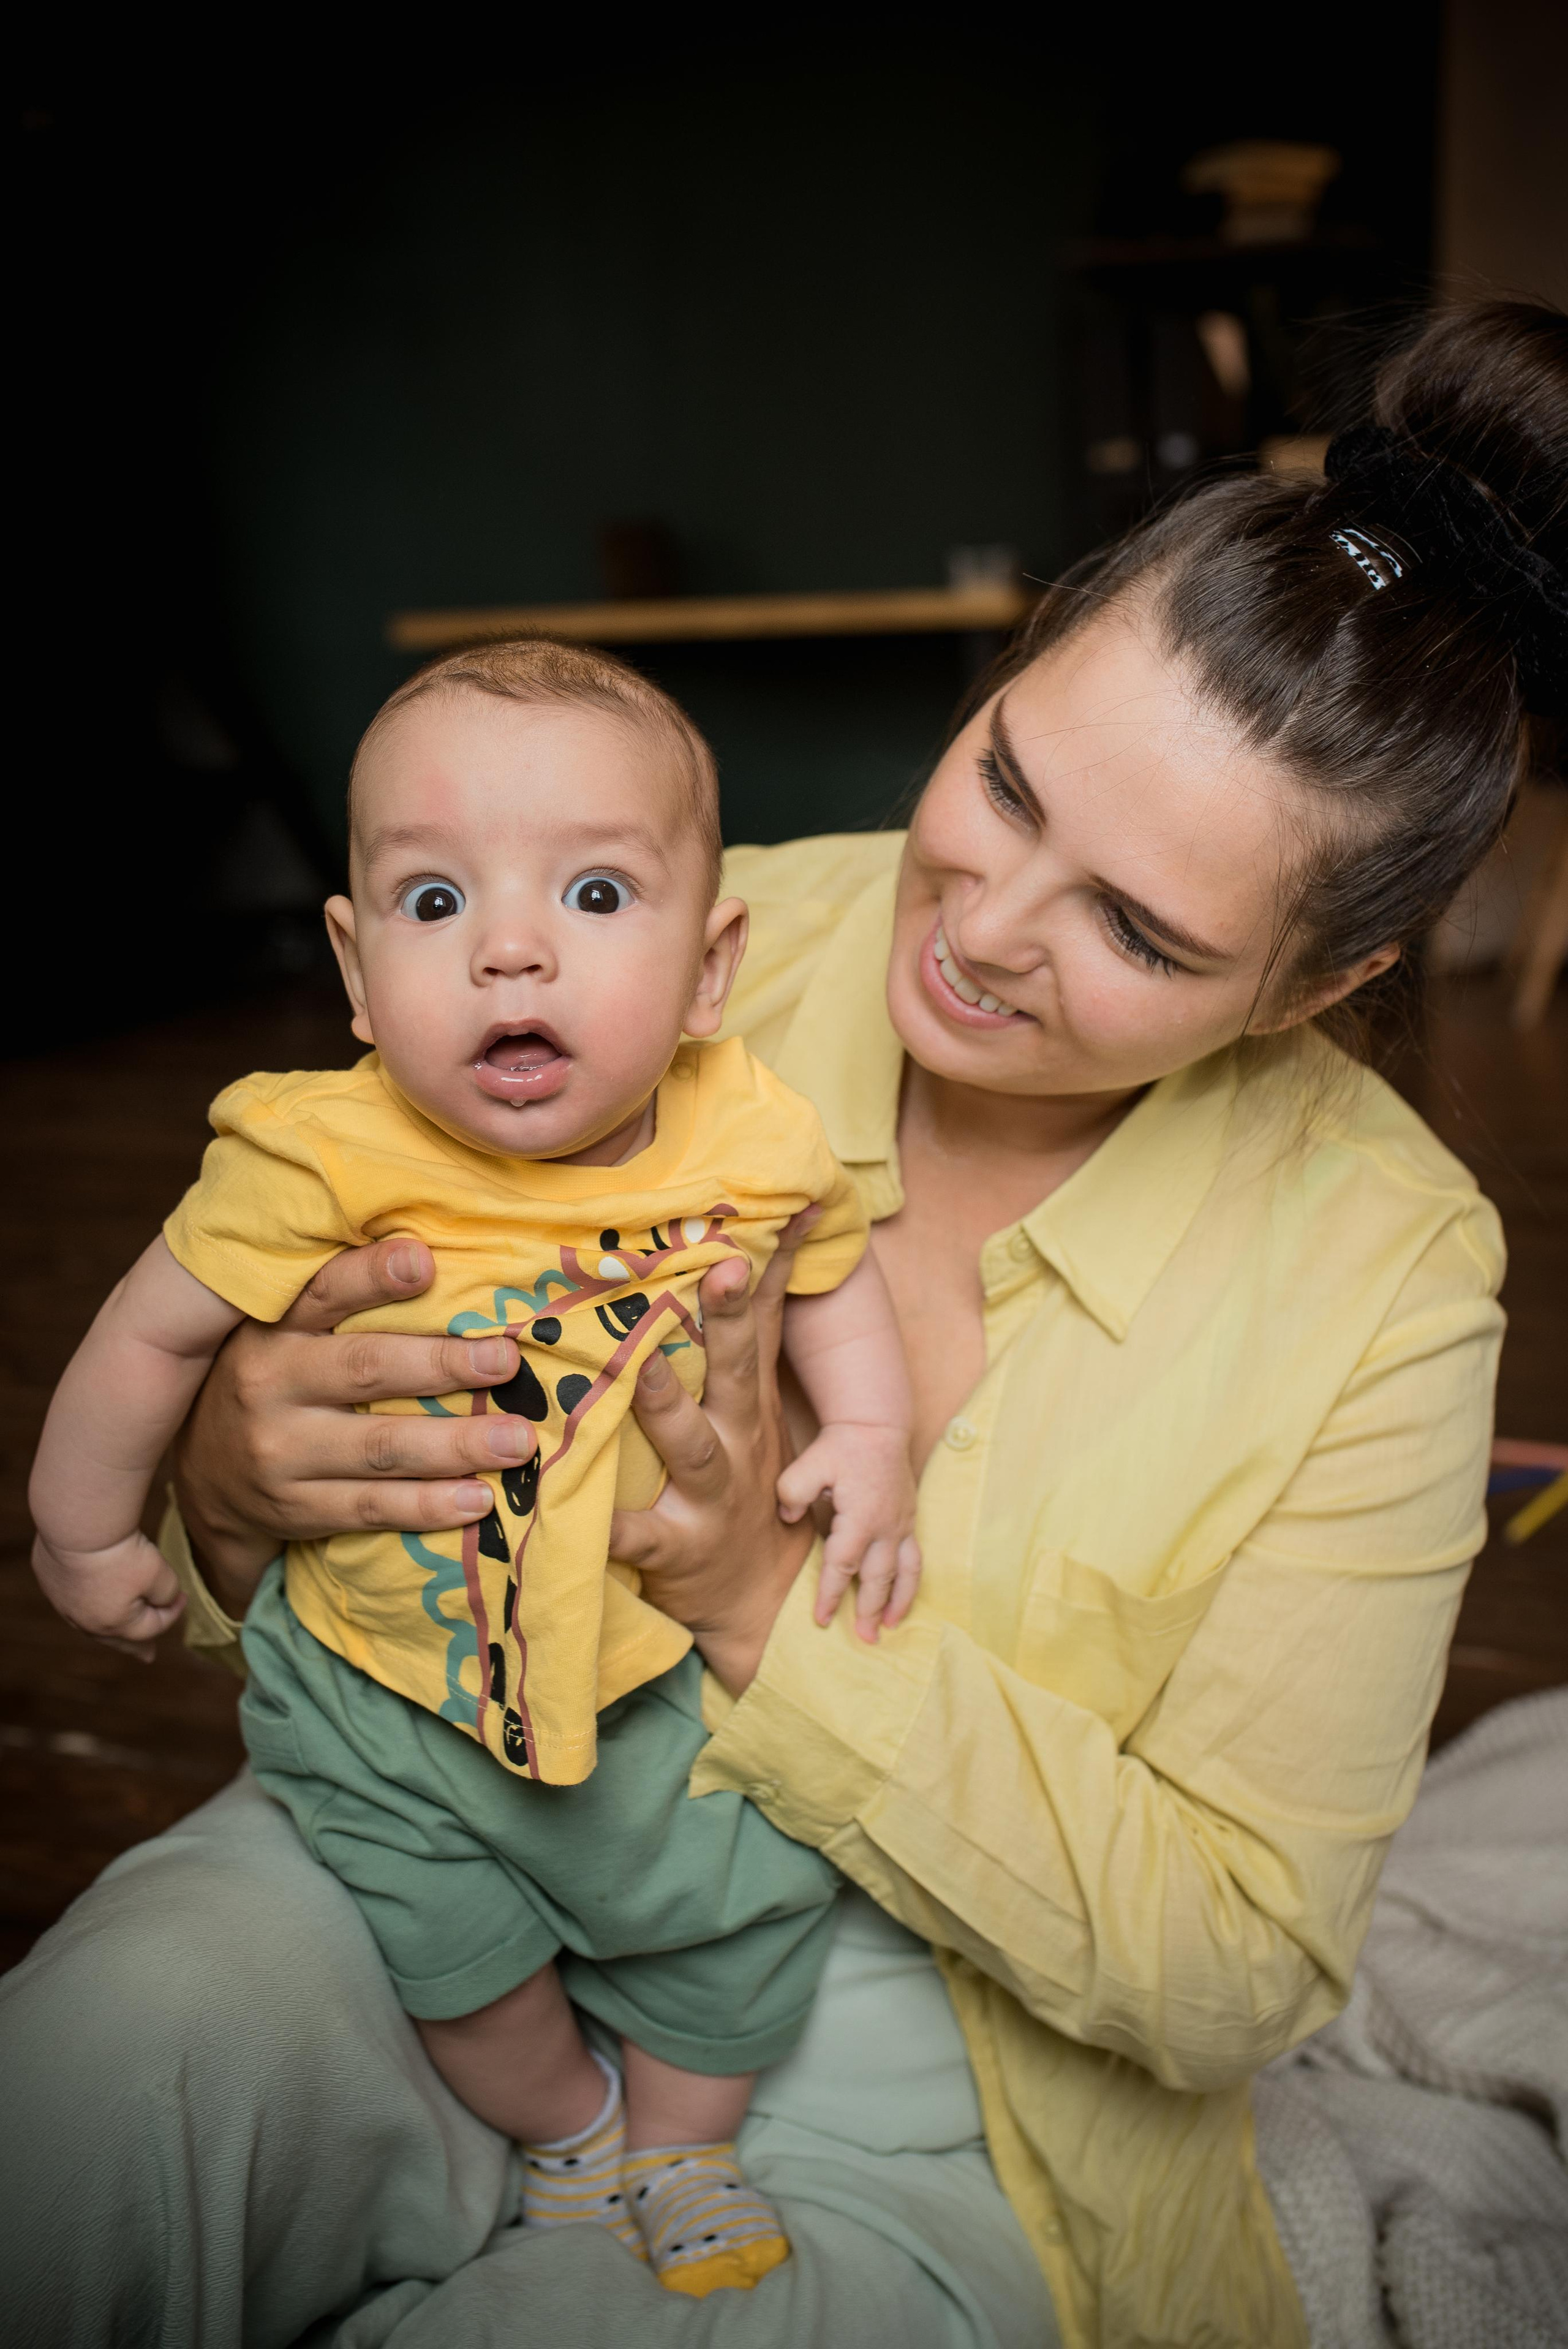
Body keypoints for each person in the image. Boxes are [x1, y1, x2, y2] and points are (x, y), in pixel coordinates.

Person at [3, 298, 1563, 2349]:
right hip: (468, 1827)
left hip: (950, 2064)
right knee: (93, 2081)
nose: (984, 926)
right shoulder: (688, 928)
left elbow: (1241, 1967)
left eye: (1133, 926)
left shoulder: (1391, 1273)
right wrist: (227, 1480)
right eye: (1005, 781)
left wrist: (758, 1604)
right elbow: (277, 1470)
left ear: (1315, 987)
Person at [27, 638, 922, 2299]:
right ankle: (571, 2128)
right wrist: (82, 1528)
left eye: (595, 893)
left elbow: (830, 1275)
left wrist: (868, 1438)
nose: (511, 948)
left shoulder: (751, 1132)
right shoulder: (317, 1151)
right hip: (387, 1689)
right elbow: (148, 1335)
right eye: (436, 903)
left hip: (657, 1676)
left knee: (745, 1918)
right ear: (358, 973)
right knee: (454, 1964)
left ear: (711, 967)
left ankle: (684, 2143)